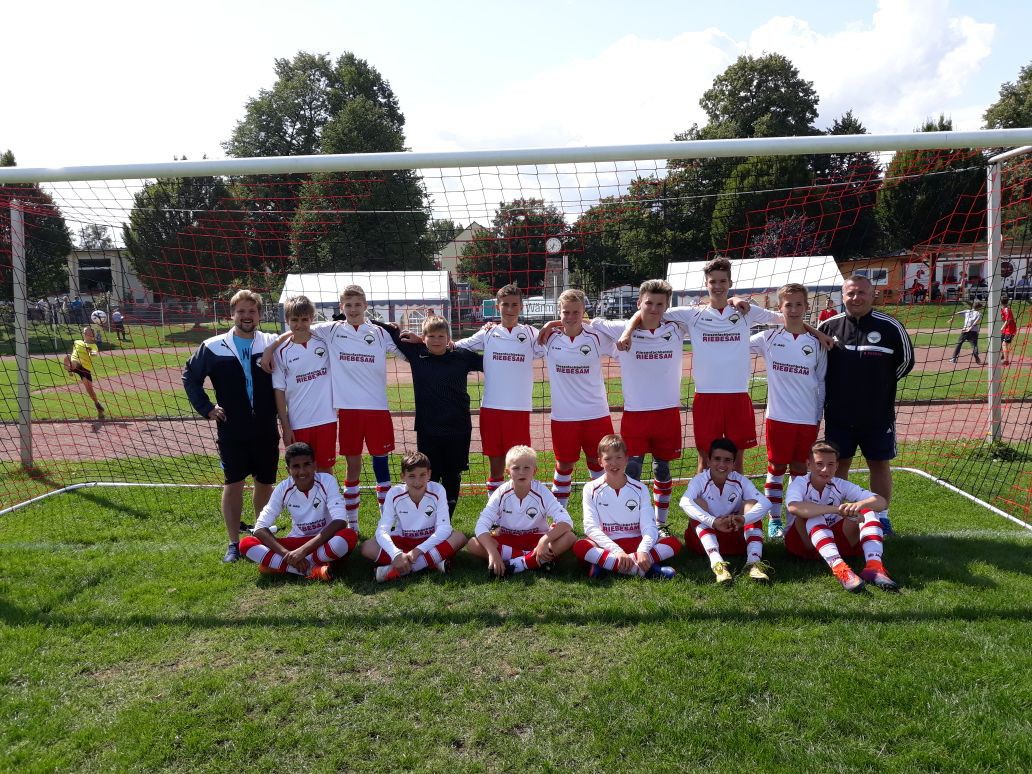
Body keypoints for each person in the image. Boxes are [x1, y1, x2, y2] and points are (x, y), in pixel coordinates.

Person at [618, 258, 831, 474]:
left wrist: (817, 333)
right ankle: (703, 497)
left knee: (736, 462)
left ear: (730, 283)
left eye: (722, 281)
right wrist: (627, 332)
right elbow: (646, 311)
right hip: (706, 396)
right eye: (713, 281)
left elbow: (786, 317)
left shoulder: (746, 311)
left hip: (737, 396)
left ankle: (735, 496)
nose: (717, 286)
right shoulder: (692, 314)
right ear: (706, 284)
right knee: (705, 461)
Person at [554, 279, 688, 537]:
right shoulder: (616, 329)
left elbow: (702, 310)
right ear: (639, 303)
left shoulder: (677, 327)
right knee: (632, 472)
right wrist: (627, 331)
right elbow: (587, 322)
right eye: (648, 303)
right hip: (635, 414)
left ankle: (660, 523)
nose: (654, 309)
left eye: (660, 304)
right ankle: (632, 522)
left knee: (662, 469)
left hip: (668, 412)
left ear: (667, 306)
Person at [263, 285, 399, 516]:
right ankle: (340, 521)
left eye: (358, 305)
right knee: (331, 468)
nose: (353, 309)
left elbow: (401, 350)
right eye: (348, 305)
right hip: (335, 414)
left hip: (351, 414)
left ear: (365, 306)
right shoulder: (331, 331)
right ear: (341, 307)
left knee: (341, 469)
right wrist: (270, 348)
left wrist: (401, 332)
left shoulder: (376, 333)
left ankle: (382, 521)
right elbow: (298, 331)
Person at [183, 289, 281, 563]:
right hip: (232, 429)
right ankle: (234, 543)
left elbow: (300, 332)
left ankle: (261, 535)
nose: (246, 316)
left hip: (265, 426)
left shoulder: (271, 341)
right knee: (233, 483)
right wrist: (207, 408)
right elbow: (190, 376)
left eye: (252, 311)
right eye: (241, 311)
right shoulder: (213, 346)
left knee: (265, 483)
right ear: (232, 315)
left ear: (259, 315)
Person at [817, 274, 914, 536]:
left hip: (877, 414)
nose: (856, 297)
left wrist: (879, 385)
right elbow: (817, 364)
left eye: (861, 292)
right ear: (843, 296)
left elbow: (906, 362)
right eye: (850, 293)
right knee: (838, 464)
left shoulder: (890, 326)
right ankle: (838, 515)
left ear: (872, 295)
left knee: (879, 463)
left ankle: (881, 517)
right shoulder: (828, 326)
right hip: (838, 414)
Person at [372, 315, 483, 515]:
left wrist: (491, 329)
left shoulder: (462, 356)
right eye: (431, 336)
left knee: (452, 475)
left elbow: (491, 362)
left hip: (458, 428)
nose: (436, 340)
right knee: (429, 474)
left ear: (448, 338)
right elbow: (393, 333)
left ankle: (446, 520)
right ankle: (429, 518)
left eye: (441, 336)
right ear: (423, 338)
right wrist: (377, 322)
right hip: (428, 428)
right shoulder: (417, 353)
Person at [749, 283, 827, 540]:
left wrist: (817, 416)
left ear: (806, 307)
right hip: (778, 417)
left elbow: (821, 381)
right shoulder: (767, 338)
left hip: (807, 417)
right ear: (779, 307)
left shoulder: (817, 343)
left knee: (800, 470)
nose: (793, 310)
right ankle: (774, 519)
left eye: (798, 304)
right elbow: (736, 341)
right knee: (776, 468)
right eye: (788, 305)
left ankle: (794, 520)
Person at [453, 284, 545, 496]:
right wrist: (423, 341)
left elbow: (555, 340)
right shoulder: (488, 332)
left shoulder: (531, 333)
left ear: (521, 307)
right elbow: (456, 345)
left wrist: (551, 324)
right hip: (491, 408)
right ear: (497, 306)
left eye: (514, 304)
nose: (510, 309)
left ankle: (519, 509)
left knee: (520, 467)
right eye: (505, 304)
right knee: (495, 468)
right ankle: (494, 510)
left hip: (519, 410)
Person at [785, 440, 897, 593]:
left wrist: (859, 505)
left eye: (830, 464)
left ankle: (874, 566)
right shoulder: (799, 483)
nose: (825, 469)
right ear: (808, 464)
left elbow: (881, 502)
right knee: (813, 516)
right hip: (803, 544)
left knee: (868, 510)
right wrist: (837, 510)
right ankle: (840, 569)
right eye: (819, 464)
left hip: (834, 542)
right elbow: (794, 507)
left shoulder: (839, 484)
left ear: (837, 466)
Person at [539, 288, 616, 506]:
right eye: (566, 312)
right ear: (559, 312)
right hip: (564, 417)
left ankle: (603, 513)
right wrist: (550, 325)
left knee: (599, 463)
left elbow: (622, 348)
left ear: (583, 312)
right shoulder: (547, 338)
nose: (571, 317)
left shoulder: (597, 336)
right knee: (564, 466)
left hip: (596, 414)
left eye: (576, 312)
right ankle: (560, 516)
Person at [238, 442, 357, 582]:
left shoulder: (327, 481)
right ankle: (312, 570)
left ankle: (279, 566)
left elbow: (340, 521)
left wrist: (302, 552)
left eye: (307, 464)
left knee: (349, 536)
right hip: (298, 541)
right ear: (288, 470)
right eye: (296, 466)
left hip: (325, 540)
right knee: (246, 543)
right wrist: (287, 553)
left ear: (315, 465)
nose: (302, 471)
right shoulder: (283, 488)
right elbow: (260, 528)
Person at [573, 434, 681, 579]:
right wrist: (617, 551)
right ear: (600, 462)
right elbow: (590, 527)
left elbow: (649, 525)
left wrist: (643, 550)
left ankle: (607, 565)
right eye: (608, 459)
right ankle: (647, 570)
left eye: (618, 457)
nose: (614, 463)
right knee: (581, 546)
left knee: (673, 543)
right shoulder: (590, 489)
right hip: (607, 544)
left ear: (626, 459)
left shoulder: (640, 489)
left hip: (636, 542)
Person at [469, 445, 576, 578]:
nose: (521, 472)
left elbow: (566, 521)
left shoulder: (542, 492)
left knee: (570, 537)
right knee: (472, 543)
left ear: (534, 471)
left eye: (526, 468)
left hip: (536, 541)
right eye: (516, 468)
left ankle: (516, 564)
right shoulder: (501, 493)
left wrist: (544, 541)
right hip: (508, 540)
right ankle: (535, 561)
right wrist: (492, 553)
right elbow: (481, 525)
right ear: (508, 472)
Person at [360, 451, 467, 582]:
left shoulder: (438, 490)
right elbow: (382, 530)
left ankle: (396, 570)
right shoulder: (394, 493)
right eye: (411, 476)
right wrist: (396, 554)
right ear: (402, 476)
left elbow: (444, 528)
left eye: (422, 475)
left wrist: (417, 551)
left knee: (459, 537)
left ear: (429, 474)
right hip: (403, 542)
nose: (418, 481)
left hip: (430, 542)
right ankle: (432, 563)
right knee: (367, 547)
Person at [679, 438, 773, 585]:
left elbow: (766, 503)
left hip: (735, 537)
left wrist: (744, 519)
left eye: (727, 460)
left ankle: (754, 563)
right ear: (708, 461)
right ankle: (717, 564)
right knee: (697, 503)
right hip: (704, 541)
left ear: (734, 464)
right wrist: (713, 522)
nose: (722, 464)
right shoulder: (699, 480)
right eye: (717, 459)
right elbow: (684, 502)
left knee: (751, 504)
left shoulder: (740, 480)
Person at [271, 296, 340, 480]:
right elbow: (279, 392)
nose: (299, 324)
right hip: (298, 422)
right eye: (294, 319)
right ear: (287, 320)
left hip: (326, 418)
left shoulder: (324, 340)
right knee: (301, 472)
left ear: (312, 318)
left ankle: (327, 500)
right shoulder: (280, 352)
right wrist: (286, 427)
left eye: (304, 319)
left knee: (325, 469)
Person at [66, 326, 105, 419]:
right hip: (76, 363)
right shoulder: (77, 342)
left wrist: (90, 352)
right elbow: (74, 352)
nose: (87, 333)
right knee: (68, 357)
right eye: (85, 331)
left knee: (90, 391)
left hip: (85, 369)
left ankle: (98, 405)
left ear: (92, 335)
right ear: (84, 334)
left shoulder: (93, 346)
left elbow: (94, 354)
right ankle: (70, 369)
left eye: (89, 332)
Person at [950, 300, 983, 365]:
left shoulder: (967, 311)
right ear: (979, 307)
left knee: (959, 343)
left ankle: (954, 358)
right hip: (974, 332)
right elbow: (975, 323)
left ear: (973, 306)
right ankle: (976, 357)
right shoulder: (979, 314)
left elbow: (955, 313)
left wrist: (952, 319)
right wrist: (970, 329)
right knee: (974, 345)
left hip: (965, 331)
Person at [1001, 296, 1018, 365]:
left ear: (1001, 302)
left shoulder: (1006, 310)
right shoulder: (1003, 309)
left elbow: (1008, 320)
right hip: (1007, 329)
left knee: (1004, 344)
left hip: (1010, 330)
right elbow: (1004, 319)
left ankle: (1006, 360)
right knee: (1002, 342)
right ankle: (1003, 356)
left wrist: (1002, 328)